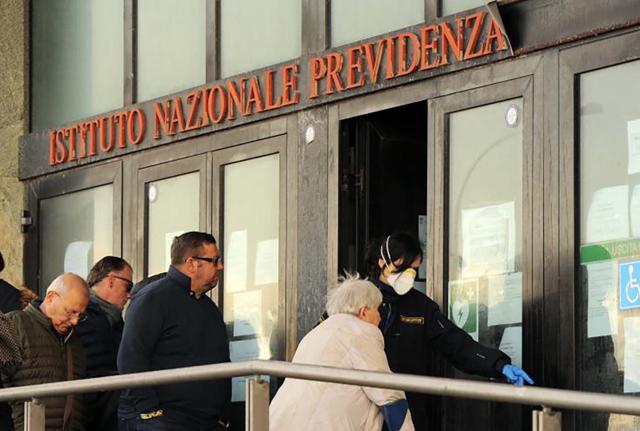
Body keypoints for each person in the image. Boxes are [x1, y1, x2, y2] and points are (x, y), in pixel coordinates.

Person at [320, 233, 533, 430]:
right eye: (404, 268)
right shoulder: (353, 299)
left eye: (414, 269)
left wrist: (498, 364)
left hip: (407, 407)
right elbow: (320, 343)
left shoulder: (420, 307)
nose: (409, 275)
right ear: (382, 263)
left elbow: (456, 344)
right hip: (359, 408)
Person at [271, 274, 414, 431]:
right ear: (364, 312)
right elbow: (388, 394)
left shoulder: (314, 334)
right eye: (377, 309)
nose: (380, 317)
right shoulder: (362, 332)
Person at [118, 231, 230, 431]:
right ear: (191, 264)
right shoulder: (153, 299)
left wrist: (222, 415)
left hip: (207, 422)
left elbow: (222, 363)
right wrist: (150, 412)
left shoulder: (209, 308)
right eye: (214, 260)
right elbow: (131, 359)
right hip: (162, 421)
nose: (220, 266)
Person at [1, 273, 89, 431]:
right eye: (70, 312)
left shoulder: (74, 342)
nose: (75, 321)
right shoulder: (15, 324)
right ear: (51, 297)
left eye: (80, 315)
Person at [76, 256, 133, 431]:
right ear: (111, 280)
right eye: (128, 286)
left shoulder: (115, 321)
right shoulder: (81, 315)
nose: (129, 294)